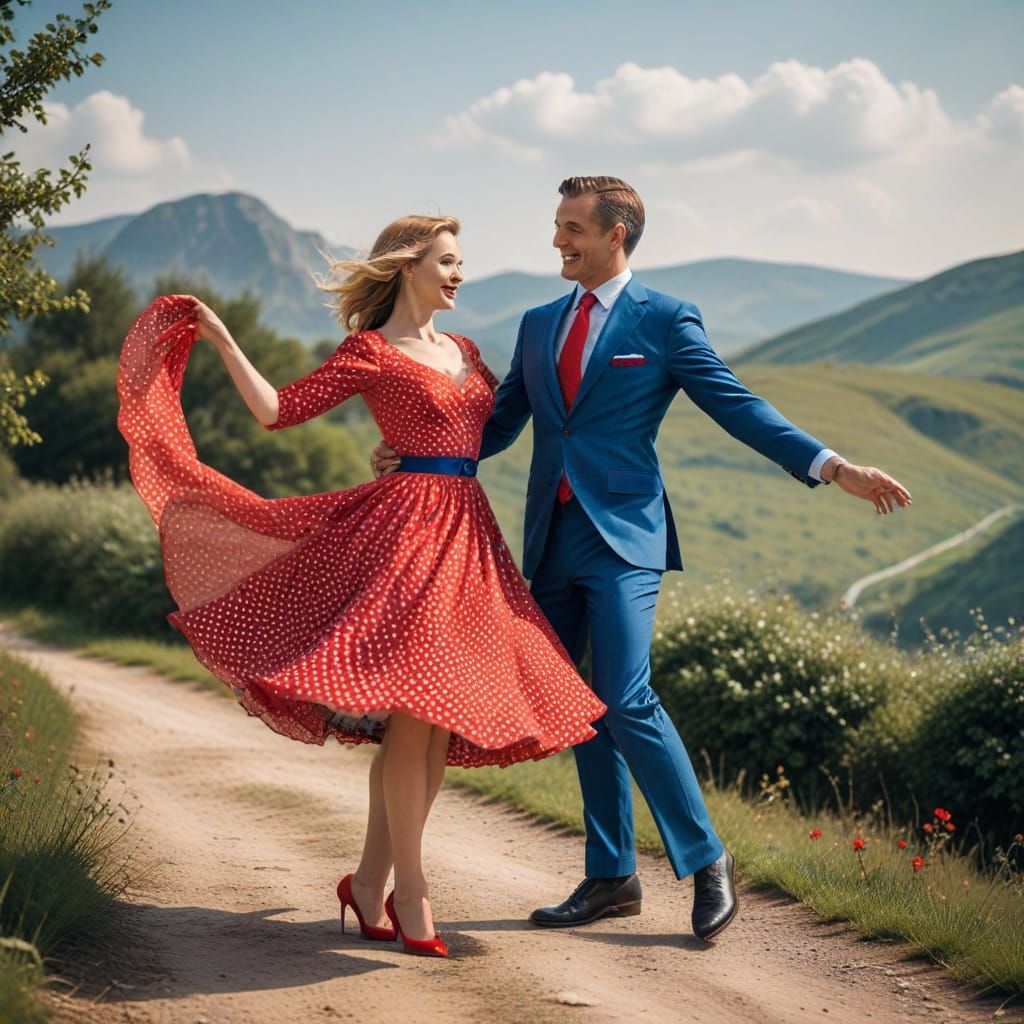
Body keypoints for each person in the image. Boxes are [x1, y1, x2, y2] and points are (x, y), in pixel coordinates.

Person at [373, 177, 911, 941]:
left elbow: (736, 404)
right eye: (557, 225)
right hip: (551, 542)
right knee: (573, 705)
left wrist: (831, 465)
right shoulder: (535, 325)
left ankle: (705, 859)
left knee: (623, 696)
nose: (558, 240)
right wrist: (414, 453)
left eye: (572, 229)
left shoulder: (664, 320)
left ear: (615, 235)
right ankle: (610, 876)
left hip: (625, 539)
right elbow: (495, 426)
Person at [117, 214, 606, 959]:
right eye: (445, 261)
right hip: (403, 538)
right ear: (406, 268)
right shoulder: (370, 352)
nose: (458, 273)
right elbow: (276, 411)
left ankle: (371, 881)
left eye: (461, 261)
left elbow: (504, 421)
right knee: (416, 713)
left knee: (434, 727)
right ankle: (412, 890)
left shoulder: (466, 351)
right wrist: (219, 335)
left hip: (467, 536)